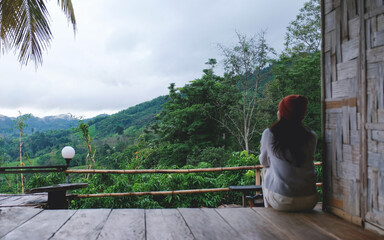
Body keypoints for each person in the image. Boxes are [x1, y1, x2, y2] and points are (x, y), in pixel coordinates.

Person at [259, 94, 318, 211]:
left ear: (281, 112)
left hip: (282, 201)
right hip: (310, 200)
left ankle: (269, 211)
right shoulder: (311, 135)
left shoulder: (270, 134)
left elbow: (264, 161)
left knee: (265, 170)